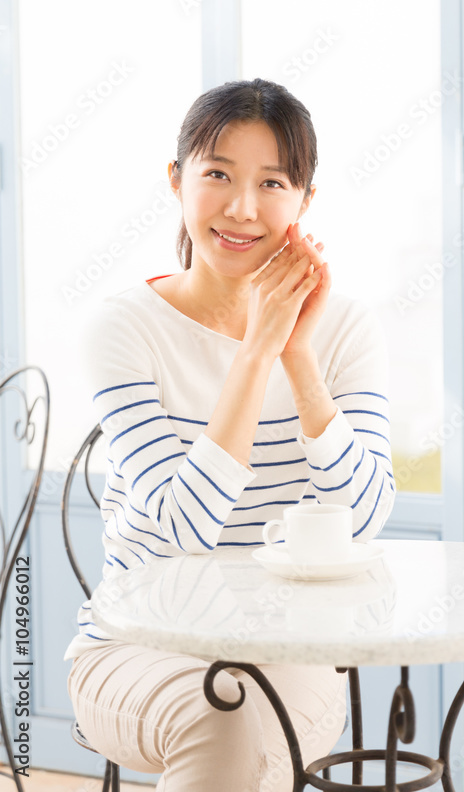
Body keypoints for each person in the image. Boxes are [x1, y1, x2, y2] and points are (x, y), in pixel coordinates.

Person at [63, 77, 395, 791]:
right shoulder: (122, 328)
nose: (242, 207)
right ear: (176, 179)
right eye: (217, 174)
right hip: (135, 643)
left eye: (272, 183)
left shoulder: (345, 330)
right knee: (224, 723)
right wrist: (255, 352)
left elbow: (365, 517)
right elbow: (184, 530)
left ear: (304, 202)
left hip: (294, 648)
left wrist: (297, 356)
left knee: (242, 729)